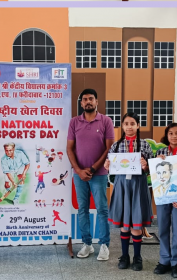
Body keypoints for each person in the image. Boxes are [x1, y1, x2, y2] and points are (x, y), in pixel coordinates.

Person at [67, 88, 114, 261]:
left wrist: (93, 169)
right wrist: (79, 171)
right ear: (81, 103)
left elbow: (110, 148)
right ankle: (87, 244)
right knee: (82, 210)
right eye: (85, 99)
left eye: (91, 99)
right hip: (79, 175)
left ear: (96, 102)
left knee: (102, 209)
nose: (88, 101)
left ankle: (104, 245)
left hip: (99, 174)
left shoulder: (106, 121)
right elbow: (69, 148)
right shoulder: (74, 122)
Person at [104, 112, 153, 270]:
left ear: (138, 126)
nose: (129, 127)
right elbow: (111, 168)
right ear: (122, 126)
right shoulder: (116, 146)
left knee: (136, 225)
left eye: (133, 123)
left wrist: (146, 166)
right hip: (122, 185)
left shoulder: (145, 145)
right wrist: (107, 166)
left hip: (138, 185)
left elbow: (151, 168)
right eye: (126, 124)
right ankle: (124, 256)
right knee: (125, 225)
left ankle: (137, 257)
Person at [153, 123, 177, 278]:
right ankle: (164, 260)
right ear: (166, 135)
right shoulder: (160, 152)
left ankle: (176, 262)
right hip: (163, 197)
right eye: (171, 133)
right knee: (162, 228)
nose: (174, 136)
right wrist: (156, 161)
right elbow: (154, 176)